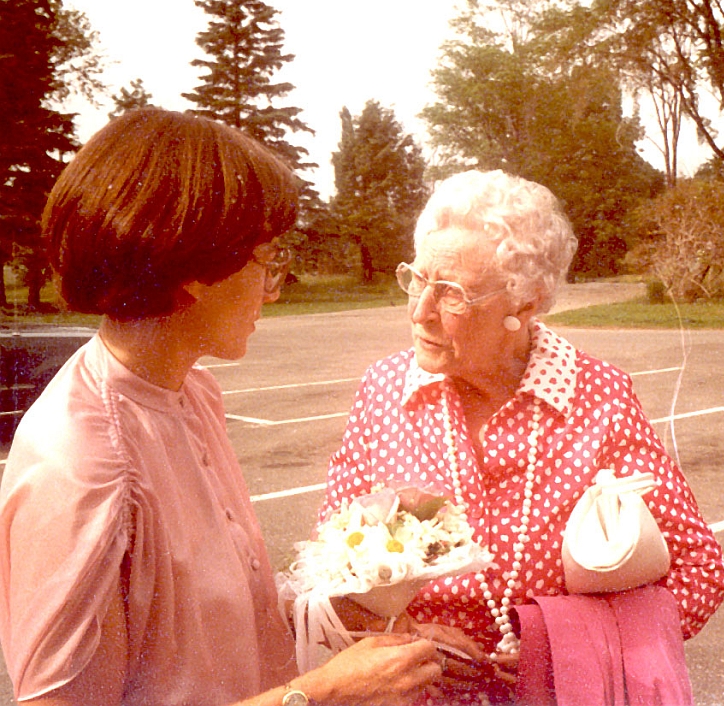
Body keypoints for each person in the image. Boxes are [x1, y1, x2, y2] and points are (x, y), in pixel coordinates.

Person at [0, 109, 440, 705]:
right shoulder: (81, 462)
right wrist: (319, 695)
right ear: (195, 268)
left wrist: (349, 607)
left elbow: (213, 625)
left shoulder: (191, 391)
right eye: (266, 259)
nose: (273, 287)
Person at [321, 169, 724, 702]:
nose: (419, 311)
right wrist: (400, 637)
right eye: (417, 280)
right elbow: (327, 569)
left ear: (525, 304)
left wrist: (570, 649)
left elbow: (700, 570)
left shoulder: (598, 397)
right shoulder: (384, 391)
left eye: (451, 294)